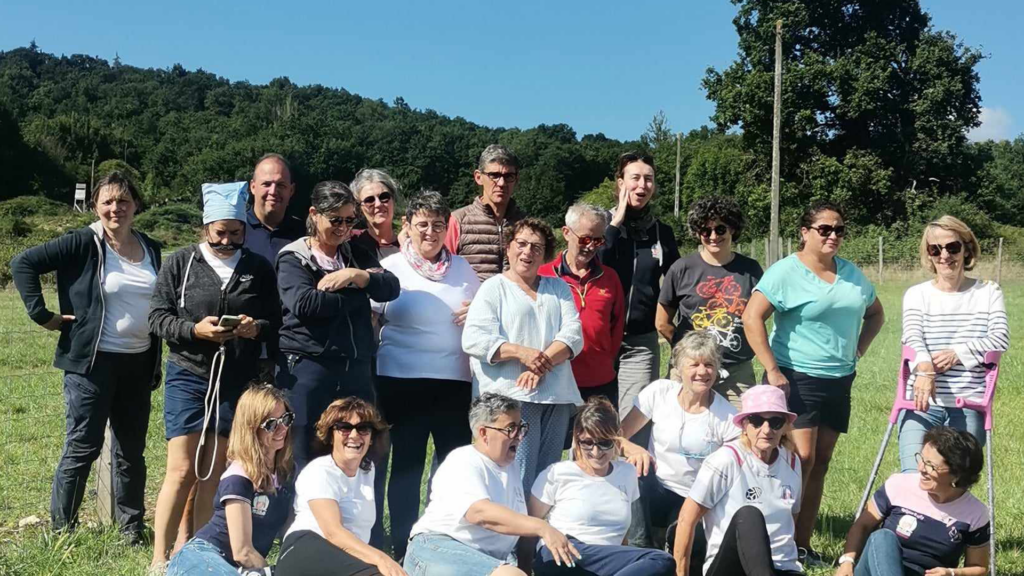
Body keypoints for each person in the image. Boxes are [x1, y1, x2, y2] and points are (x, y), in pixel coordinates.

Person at [10, 172, 161, 541]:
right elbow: (22, 263)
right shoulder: (82, 242)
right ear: (95, 206)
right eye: (107, 201)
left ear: (136, 206)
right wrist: (42, 315)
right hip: (91, 365)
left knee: (132, 453)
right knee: (82, 447)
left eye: (123, 201)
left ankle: (131, 529)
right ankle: (63, 532)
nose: (116, 208)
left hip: (138, 363)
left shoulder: (152, 247)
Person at [742, 201, 885, 566]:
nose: (833, 235)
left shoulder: (852, 274)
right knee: (798, 459)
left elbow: (875, 313)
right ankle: (780, 545)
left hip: (839, 380)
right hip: (795, 378)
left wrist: (859, 348)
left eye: (839, 229)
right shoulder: (784, 272)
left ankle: (802, 544)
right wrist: (772, 370)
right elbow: (752, 318)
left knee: (820, 461)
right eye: (825, 229)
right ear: (804, 232)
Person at [149, 182, 281, 568]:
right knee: (181, 468)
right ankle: (160, 556)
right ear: (205, 227)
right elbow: (157, 317)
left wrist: (254, 327)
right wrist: (195, 330)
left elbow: (274, 320)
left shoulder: (257, 267)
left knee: (216, 469)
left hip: (236, 380)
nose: (227, 240)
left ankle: (196, 549)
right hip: (189, 375)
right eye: (219, 232)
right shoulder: (181, 262)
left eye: (235, 233)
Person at [371, 191, 481, 560]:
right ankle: (403, 545)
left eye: (437, 225)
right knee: (407, 464)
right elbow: (371, 319)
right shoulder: (391, 268)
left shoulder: (465, 269)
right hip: (401, 381)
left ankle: (444, 542)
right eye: (422, 224)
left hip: (453, 381)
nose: (430, 232)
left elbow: (484, 313)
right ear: (407, 226)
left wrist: (477, 312)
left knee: (451, 465)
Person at [275, 181, 400, 471]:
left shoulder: (355, 253)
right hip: (309, 366)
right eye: (335, 220)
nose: (343, 228)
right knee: (304, 451)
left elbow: (391, 287)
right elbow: (306, 305)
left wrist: (356, 275)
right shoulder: (293, 257)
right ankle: (302, 515)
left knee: (358, 449)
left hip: (354, 368)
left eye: (349, 220)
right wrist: (358, 296)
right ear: (314, 214)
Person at [462, 218, 584, 495]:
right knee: (517, 471)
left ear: (546, 254)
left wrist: (540, 366)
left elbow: (573, 334)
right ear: (508, 247)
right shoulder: (493, 287)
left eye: (537, 247)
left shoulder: (558, 288)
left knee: (547, 475)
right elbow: (475, 339)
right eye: (522, 244)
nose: (528, 252)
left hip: (556, 395)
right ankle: (513, 534)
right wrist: (522, 353)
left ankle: (537, 533)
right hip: (512, 396)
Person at [404, 393, 579, 576]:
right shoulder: (464, 460)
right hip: (435, 549)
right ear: (483, 433)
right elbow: (480, 513)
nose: (519, 436)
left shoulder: (510, 469)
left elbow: (518, 532)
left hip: (486, 559)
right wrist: (542, 527)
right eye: (510, 429)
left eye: (521, 428)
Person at [898, 216, 1009, 472]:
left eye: (953, 247)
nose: (944, 256)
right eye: (935, 250)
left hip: (968, 403)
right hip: (922, 405)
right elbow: (912, 337)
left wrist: (958, 353)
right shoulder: (917, 294)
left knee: (954, 481)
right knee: (915, 476)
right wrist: (925, 370)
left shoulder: (989, 292)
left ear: (967, 248)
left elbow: (1000, 338)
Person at [618, 331, 740, 558]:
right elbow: (616, 437)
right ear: (679, 367)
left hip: (694, 499)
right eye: (694, 364)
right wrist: (632, 448)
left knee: (691, 551)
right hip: (655, 487)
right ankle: (639, 553)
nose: (702, 372)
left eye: (709, 365)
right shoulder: (659, 392)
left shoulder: (727, 417)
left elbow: (735, 472)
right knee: (632, 469)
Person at [528, 397, 676, 576]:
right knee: (661, 559)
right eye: (587, 443)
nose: (596, 452)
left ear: (617, 438)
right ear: (577, 439)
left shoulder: (627, 473)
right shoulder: (557, 473)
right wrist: (524, 568)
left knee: (658, 564)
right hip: (565, 554)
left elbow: (622, 539)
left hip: (604, 564)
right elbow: (529, 528)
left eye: (604, 443)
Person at [674, 386, 803, 576]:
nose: (766, 430)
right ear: (744, 425)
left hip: (782, 567)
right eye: (757, 421)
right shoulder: (726, 460)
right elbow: (686, 519)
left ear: (785, 427)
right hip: (731, 567)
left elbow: (791, 520)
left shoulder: (792, 462)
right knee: (749, 515)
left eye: (775, 422)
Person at [167, 385, 295, 576]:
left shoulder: (287, 473)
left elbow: (291, 533)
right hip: (202, 557)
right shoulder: (239, 477)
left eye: (286, 419)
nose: (282, 428)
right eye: (271, 424)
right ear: (251, 429)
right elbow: (243, 552)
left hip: (240, 568)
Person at [275, 397, 404, 576]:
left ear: (372, 437)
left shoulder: (367, 470)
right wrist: (381, 558)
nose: (354, 435)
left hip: (343, 557)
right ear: (330, 435)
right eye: (344, 428)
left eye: (363, 428)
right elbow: (333, 532)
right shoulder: (320, 471)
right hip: (306, 549)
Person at [836, 427, 989, 576]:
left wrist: (951, 573)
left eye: (931, 465)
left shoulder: (975, 513)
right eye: (922, 459)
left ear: (957, 474)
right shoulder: (899, 485)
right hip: (876, 569)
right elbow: (862, 526)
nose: (921, 468)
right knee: (882, 538)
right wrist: (847, 562)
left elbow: (979, 568)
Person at [657, 197, 763, 407]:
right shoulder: (681, 268)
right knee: (684, 430)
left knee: (741, 431)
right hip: (690, 368)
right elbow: (662, 322)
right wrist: (686, 351)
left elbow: (760, 317)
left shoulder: (751, 270)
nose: (713, 236)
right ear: (698, 233)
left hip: (736, 370)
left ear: (732, 229)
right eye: (706, 231)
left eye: (720, 229)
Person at [598, 151, 680, 419]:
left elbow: (678, 282)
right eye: (635, 178)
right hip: (598, 339)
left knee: (632, 420)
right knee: (593, 419)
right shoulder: (599, 225)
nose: (642, 185)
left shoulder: (661, 233)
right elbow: (592, 265)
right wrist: (615, 224)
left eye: (649, 179)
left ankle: (628, 463)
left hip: (640, 342)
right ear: (620, 182)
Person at [538, 203, 625, 411]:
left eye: (598, 240)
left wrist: (605, 360)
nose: (591, 246)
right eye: (585, 239)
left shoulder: (610, 277)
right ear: (567, 233)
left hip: (600, 380)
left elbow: (617, 326)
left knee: (599, 441)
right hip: (557, 379)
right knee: (557, 443)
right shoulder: (543, 275)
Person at [445, 144, 528, 281]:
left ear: (517, 179)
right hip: (473, 301)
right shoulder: (457, 221)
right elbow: (442, 270)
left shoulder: (525, 224)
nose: (501, 183)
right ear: (478, 177)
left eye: (508, 176)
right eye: (494, 175)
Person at [244, 153, 305, 266]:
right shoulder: (237, 231)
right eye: (266, 184)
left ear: (291, 190)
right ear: (252, 187)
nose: (273, 191)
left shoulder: (305, 234)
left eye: (281, 185)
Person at [350, 168, 402, 260]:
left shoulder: (410, 245)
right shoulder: (350, 242)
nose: (378, 204)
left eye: (384, 197)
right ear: (359, 208)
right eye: (369, 200)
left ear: (393, 199)